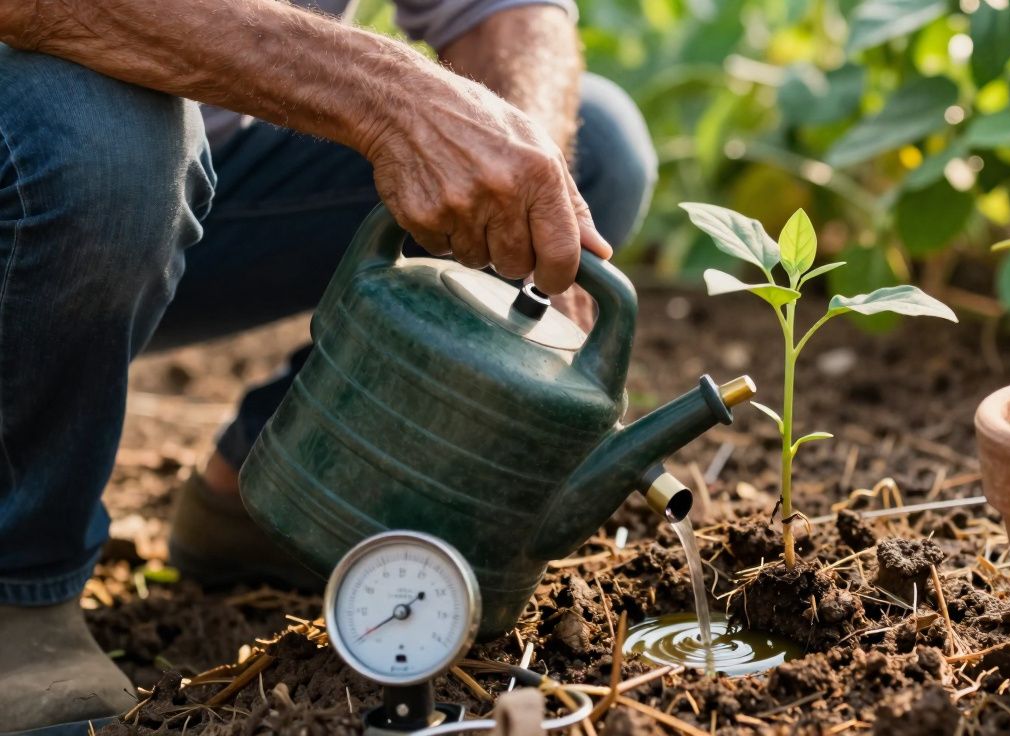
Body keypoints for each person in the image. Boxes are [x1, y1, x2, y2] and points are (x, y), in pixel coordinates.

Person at [0, 0, 656, 732]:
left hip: (200, 169)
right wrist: (394, 99)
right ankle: (18, 584)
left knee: (582, 153)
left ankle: (285, 482)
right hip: (49, 154)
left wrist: (529, 207)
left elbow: (503, 13)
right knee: (104, 145)